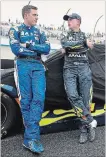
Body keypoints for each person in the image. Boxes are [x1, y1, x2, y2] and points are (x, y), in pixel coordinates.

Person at [9, 5, 50, 153]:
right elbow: (15, 49)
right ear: (26, 15)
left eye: (37, 15)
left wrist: (27, 45)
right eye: (35, 15)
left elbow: (47, 48)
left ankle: (30, 137)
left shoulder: (40, 30)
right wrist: (35, 48)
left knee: (39, 99)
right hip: (22, 65)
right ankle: (32, 138)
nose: (37, 17)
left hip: (38, 66)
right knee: (26, 100)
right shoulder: (15, 30)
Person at [60, 13, 97, 144]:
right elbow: (65, 43)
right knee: (72, 96)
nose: (68, 21)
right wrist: (82, 44)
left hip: (83, 68)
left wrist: (75, 46)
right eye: (67, 20)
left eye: (71, 19)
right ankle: (90, 121)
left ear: (78, 21)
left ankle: (84, 129)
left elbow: (74, 46)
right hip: (69, 69)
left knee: (85, 99)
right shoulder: (65, 34)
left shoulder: (86, 35)